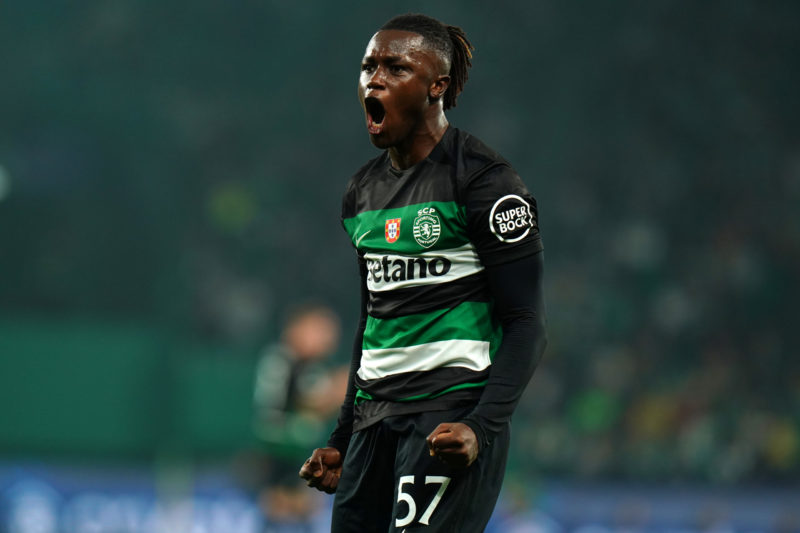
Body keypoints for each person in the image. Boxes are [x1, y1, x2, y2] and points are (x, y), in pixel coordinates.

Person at [299, 13, 547, 532]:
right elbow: (374, 324)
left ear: (437, 86)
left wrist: (481, 427)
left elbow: (526, 323)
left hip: (448, 417)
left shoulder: (484, 181)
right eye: (368, 66)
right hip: (373, 423)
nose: (375, 79)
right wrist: (342, 439)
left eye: (395, 67)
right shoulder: (359, 193)